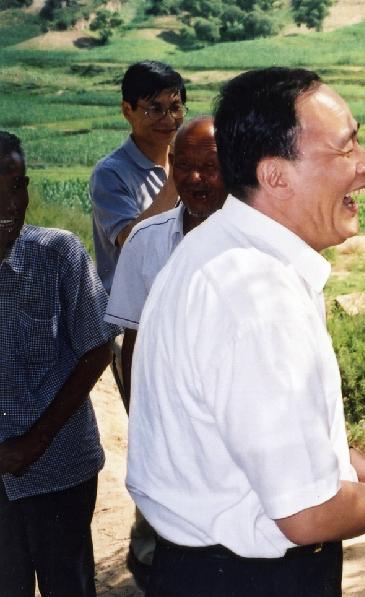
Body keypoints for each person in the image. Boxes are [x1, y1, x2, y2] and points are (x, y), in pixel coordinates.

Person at [126, 67, 365, 597]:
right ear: (277, 177)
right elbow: (306, 514)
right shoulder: (257, 298)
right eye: (347, 148)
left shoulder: (224, 253)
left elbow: (266, 443)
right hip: (249, 581)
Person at [103, 115, 228, 589]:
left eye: (211, 166)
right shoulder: (147, 241)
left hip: (235, 433)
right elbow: (132, 343)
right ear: (170, 166)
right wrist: (147, 427)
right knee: (162, 552)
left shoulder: (263, 241)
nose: (196, 178)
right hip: (170, 432)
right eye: (185, 165)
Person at [0, 131, 119, 597]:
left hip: (60, 467)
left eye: (16, 184)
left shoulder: (59, 254)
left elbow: (97, 350)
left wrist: (35, 441)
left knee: (67, 584)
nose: (9, 203)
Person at [90, 60, 187, 292]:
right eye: (155, 109)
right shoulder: (111, 173)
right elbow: (133, 243)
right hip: (131, 315)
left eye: (175, 107)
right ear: (127, 110)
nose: (168, 119)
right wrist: (175, 181)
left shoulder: (188, 162)